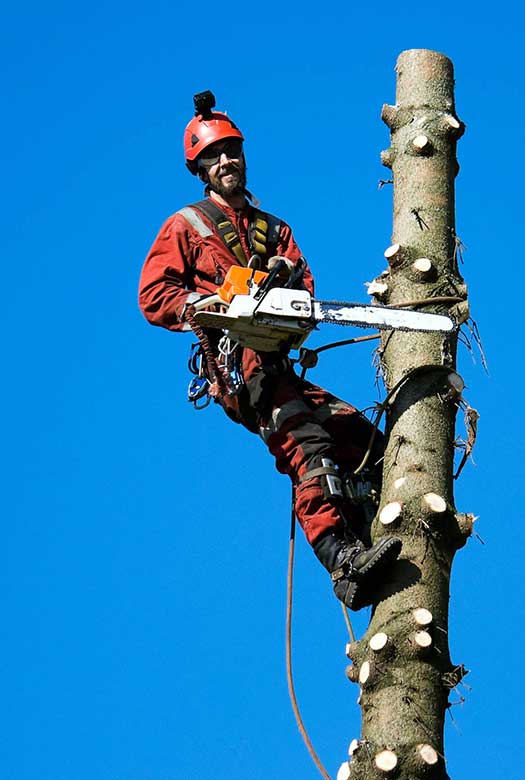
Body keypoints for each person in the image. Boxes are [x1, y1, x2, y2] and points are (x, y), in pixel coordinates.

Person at [138, 92, 400, 610]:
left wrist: (282, 280)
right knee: (306, 443)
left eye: (232, 151)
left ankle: (375, 525)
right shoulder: (187, 226)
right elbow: (154, 295)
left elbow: (302, 284)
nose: (226, 161)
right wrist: (207, 303)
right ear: (200, 168)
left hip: (278, 360)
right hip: (240, 368)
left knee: (364, 440)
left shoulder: (274, 229)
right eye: (214, 156)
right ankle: (343, 562)